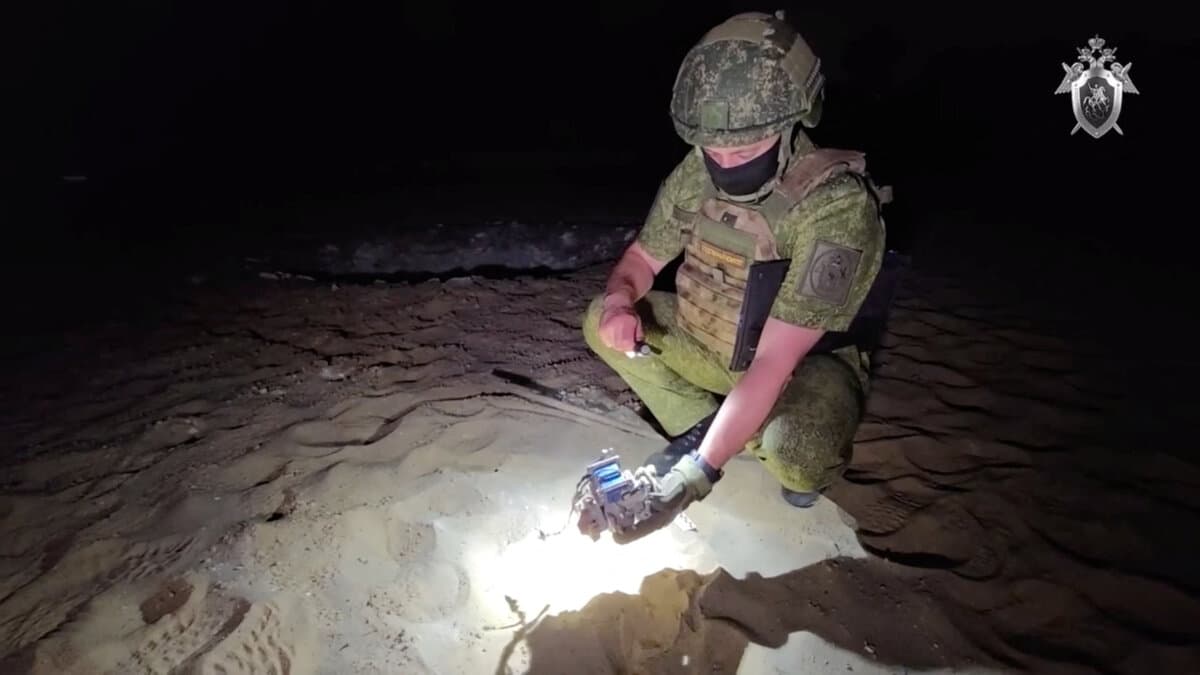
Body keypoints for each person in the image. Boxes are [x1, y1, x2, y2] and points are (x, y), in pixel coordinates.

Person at [581, 11, 891, 538]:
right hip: (712, 341)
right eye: (712, 148)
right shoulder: (697, 168)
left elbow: (776, 359)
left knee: (797, 453)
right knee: (598, 320)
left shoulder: (835, 206)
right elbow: (640, 261)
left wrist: (694, 477)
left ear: (791, 121)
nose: (723, 163)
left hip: (803, 365)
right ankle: (712, 429)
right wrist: (617, 304)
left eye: (744, 149)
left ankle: (732, 442)